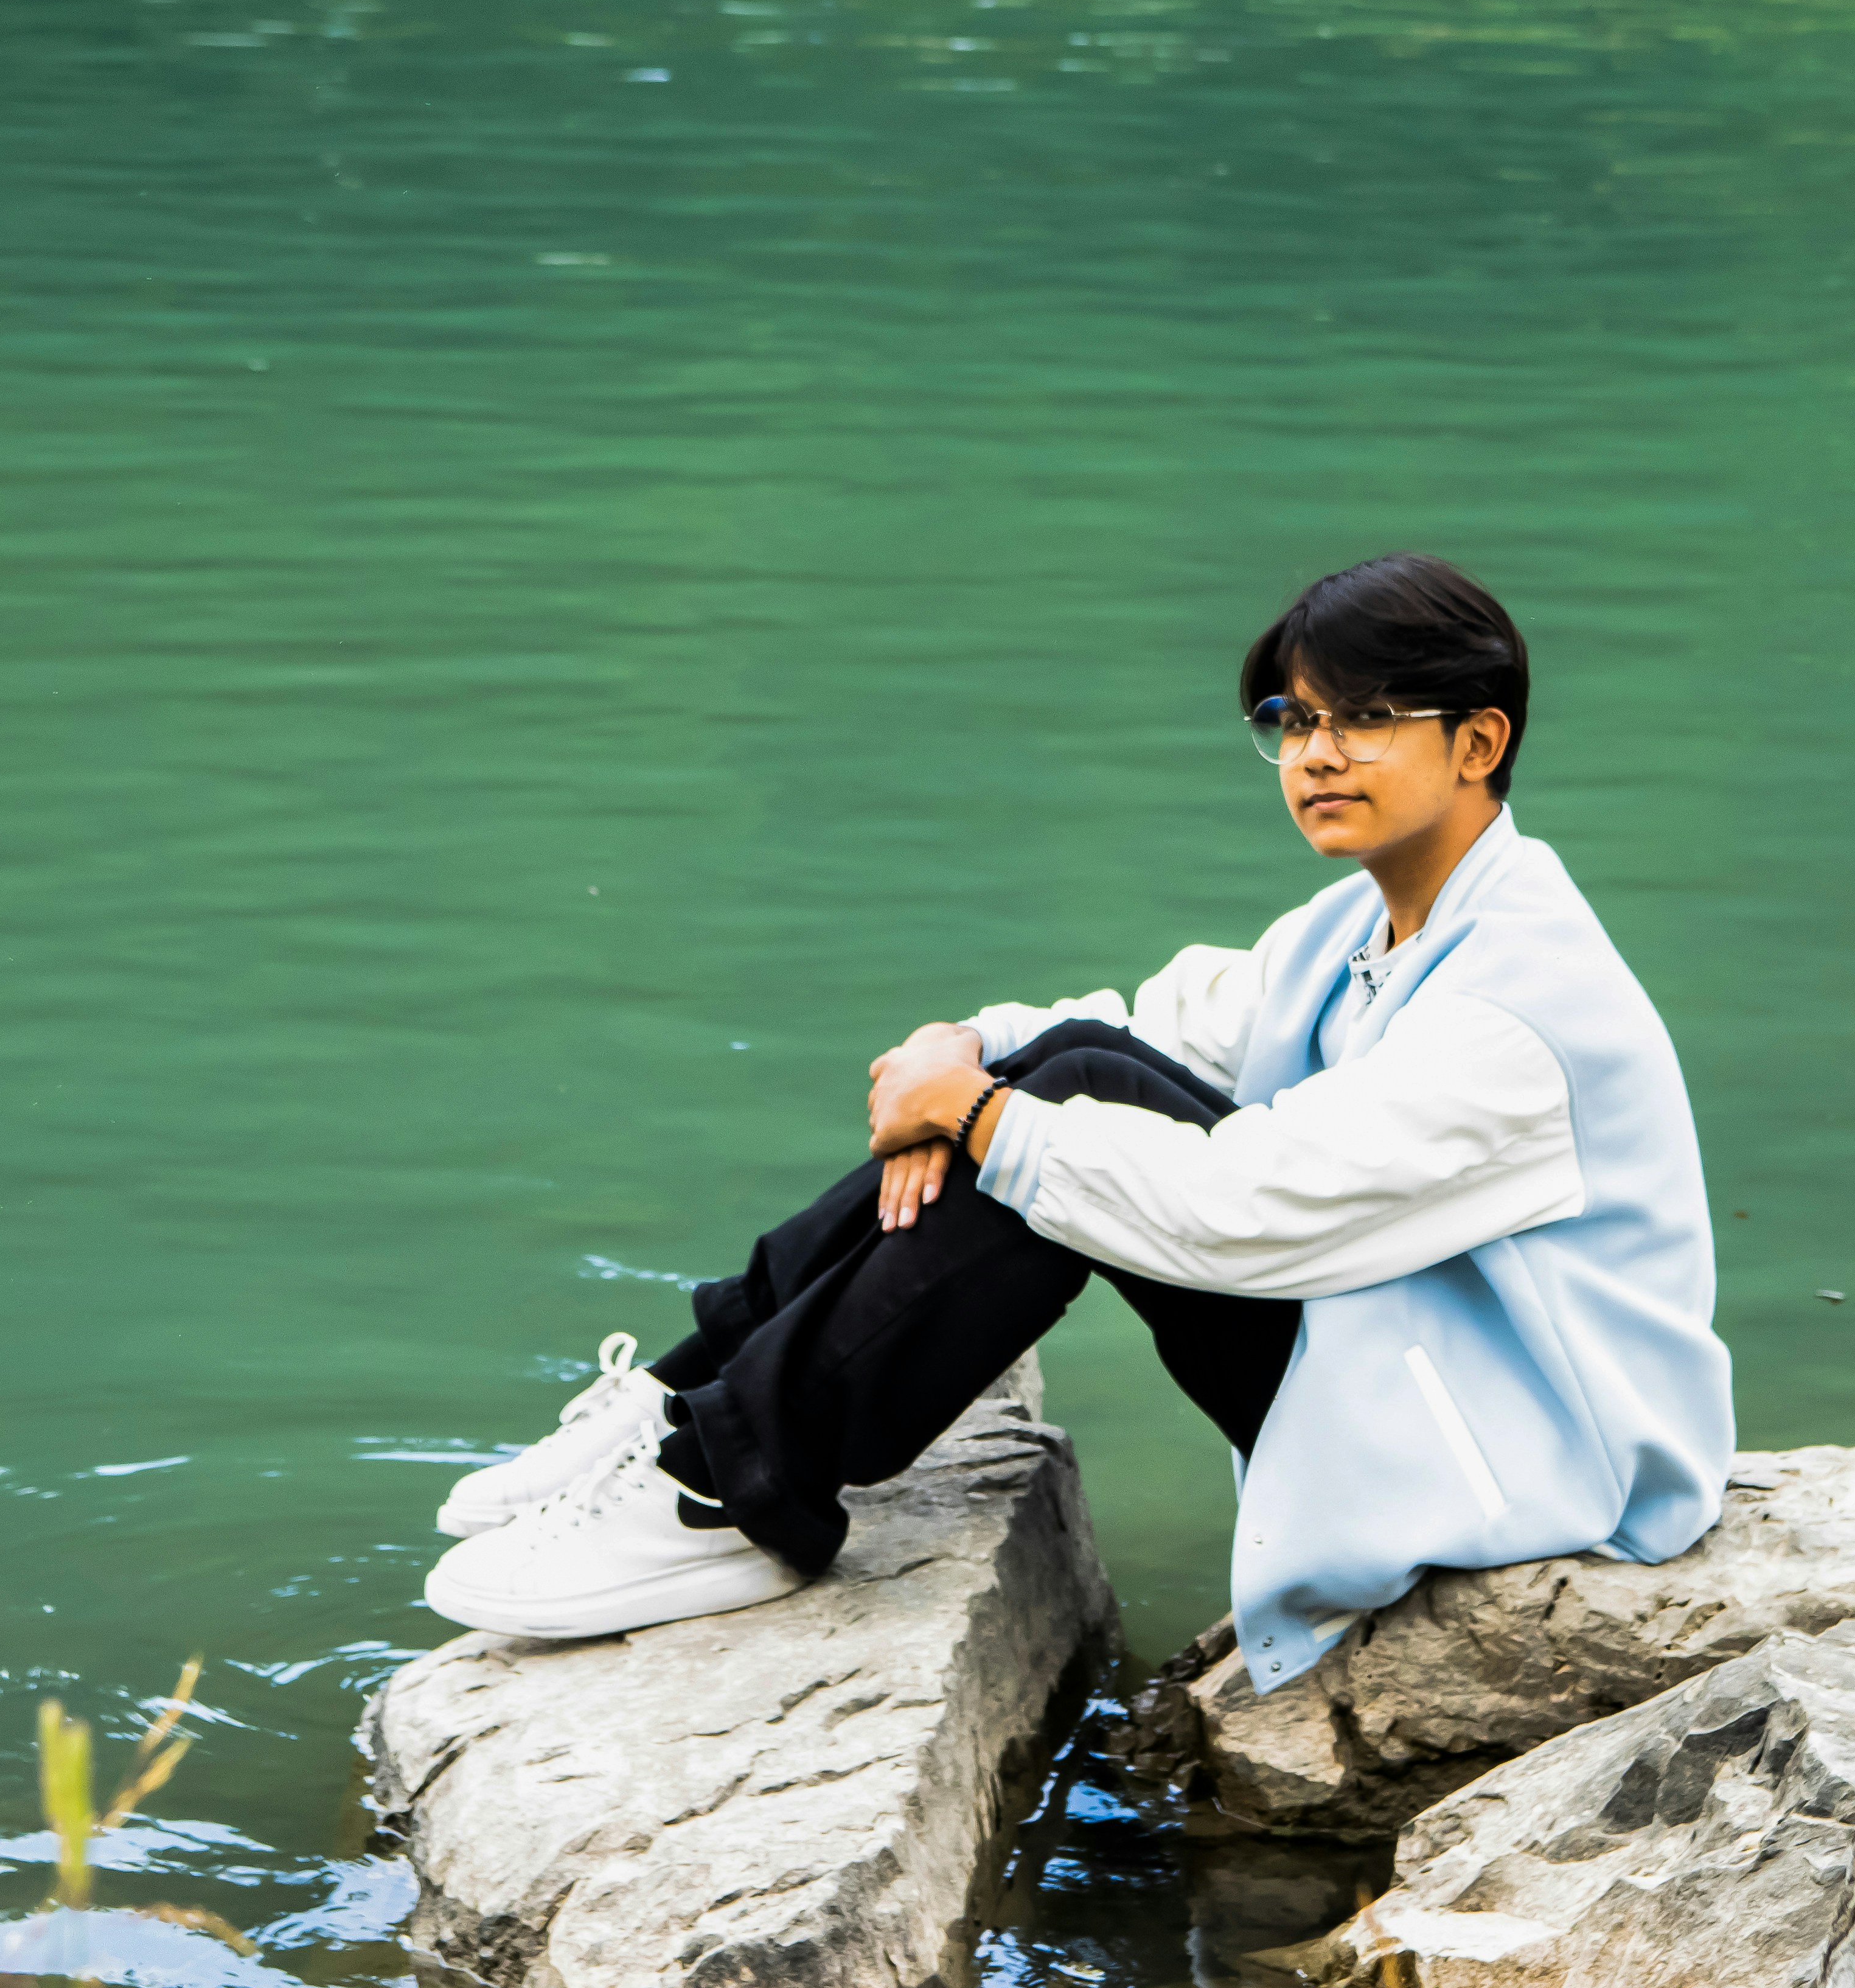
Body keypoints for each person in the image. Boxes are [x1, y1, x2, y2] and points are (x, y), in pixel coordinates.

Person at [421, 553, 1732, 1693]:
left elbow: (1242, 1211)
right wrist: (971, 1052)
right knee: (1079, 1068)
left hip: (1532, 1445)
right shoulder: (1369, 919)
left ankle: (736, 1490)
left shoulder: (1521, 1006)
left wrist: (988, 1118)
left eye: (1370, 718)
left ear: (1479, 742)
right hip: (1414, 1356)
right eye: (1296, 718)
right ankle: (687, 1397)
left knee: (1059, 1129)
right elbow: (1150, 1027)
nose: (1318, 754)